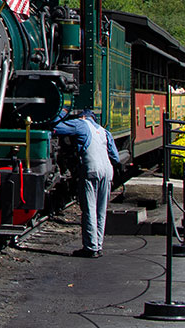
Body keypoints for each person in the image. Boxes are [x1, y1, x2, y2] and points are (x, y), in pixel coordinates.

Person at [53, 109, 120, 258]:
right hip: (108, 170)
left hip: (91, 168)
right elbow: (115, 157)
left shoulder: (80, 124)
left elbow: (55, 127)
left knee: (89, 208)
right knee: (101, 210)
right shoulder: (104, 131)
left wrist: (63, 112)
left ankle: (90, 248)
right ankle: (99, 245)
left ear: (83, 116)